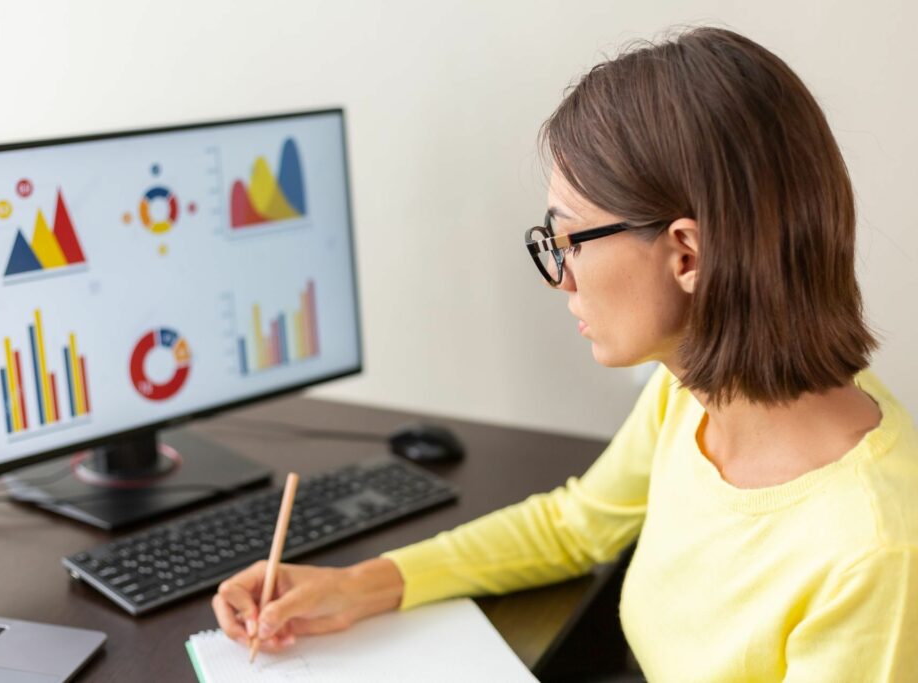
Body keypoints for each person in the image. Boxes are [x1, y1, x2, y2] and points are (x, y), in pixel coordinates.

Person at [212, 26, 918, 680]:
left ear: (687, 254)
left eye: (570, 238)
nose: (561, 274)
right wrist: (358, 584)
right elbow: (576, 524)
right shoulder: (694, 391)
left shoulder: (872, 551)